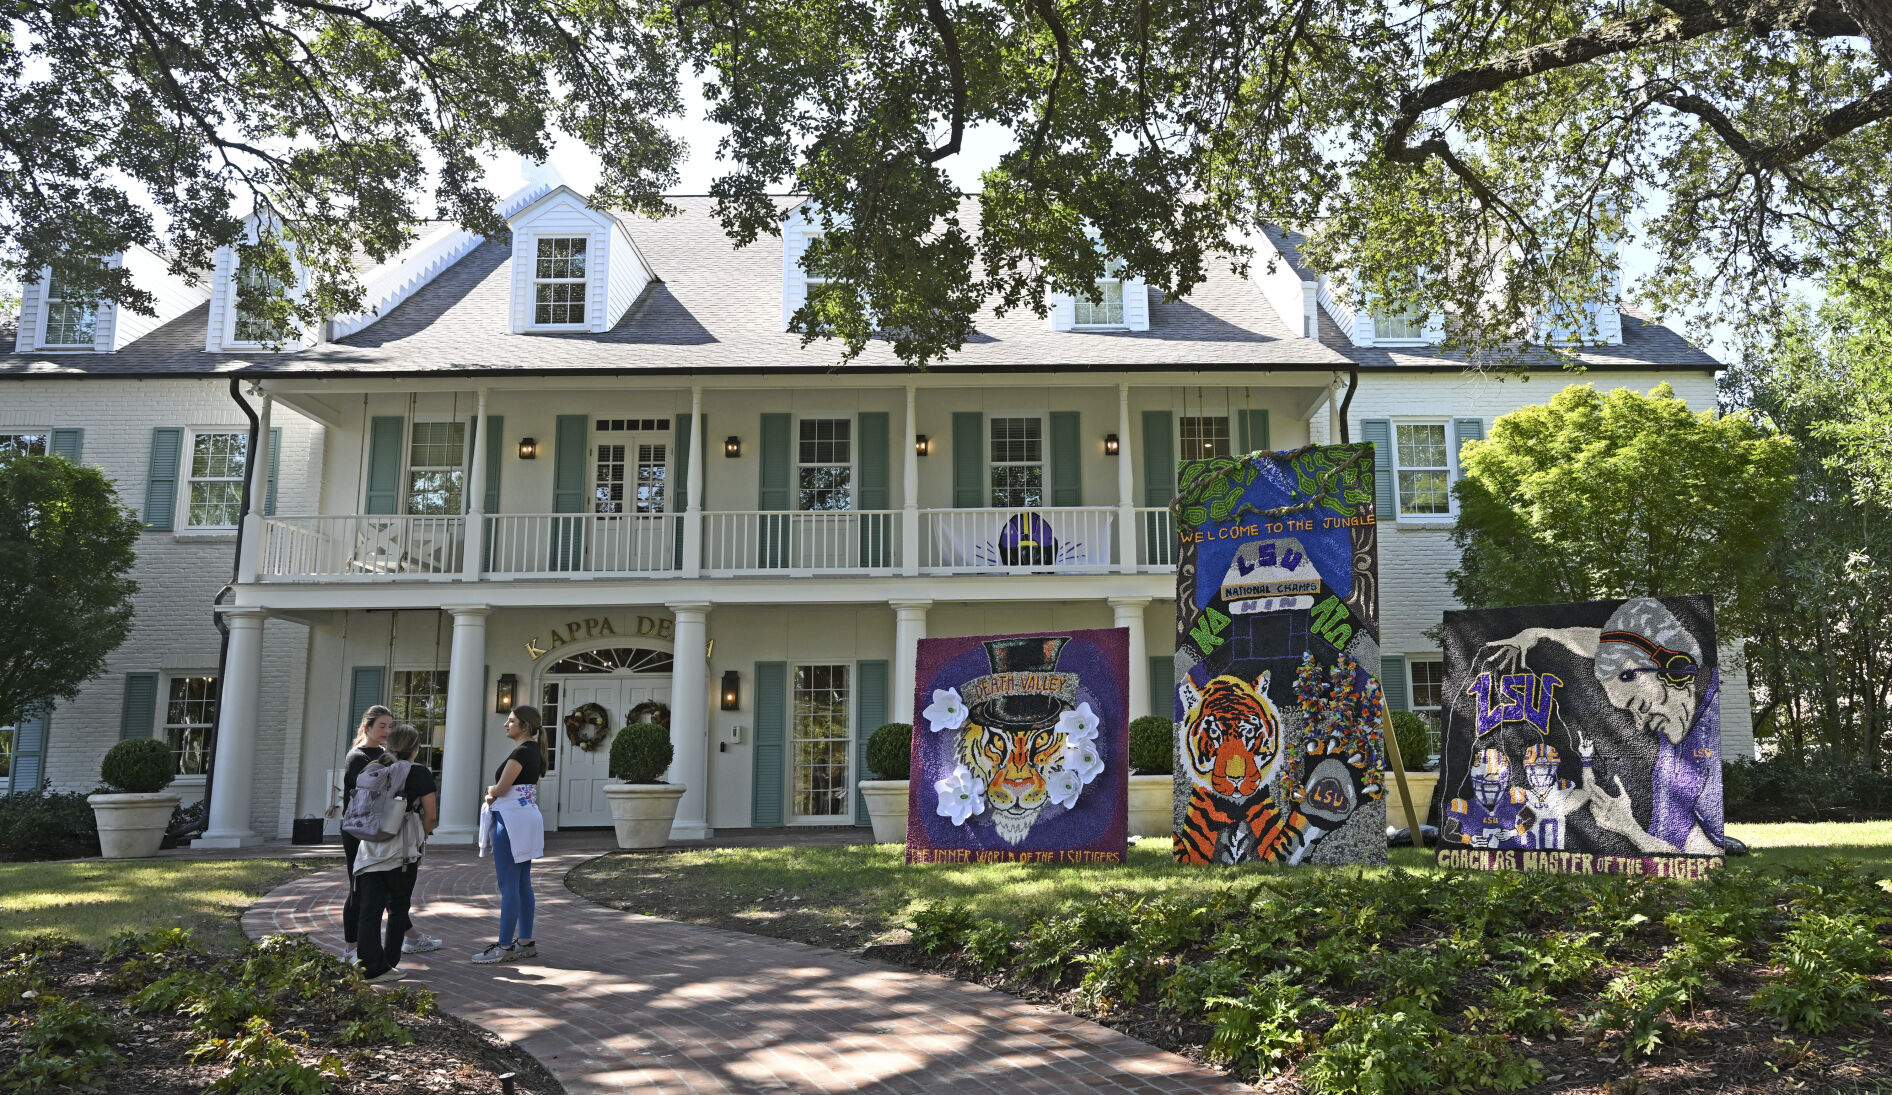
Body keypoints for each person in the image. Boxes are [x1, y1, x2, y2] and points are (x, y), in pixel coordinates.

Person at [1477, 597, 1724, 856]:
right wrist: (1538, 633)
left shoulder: (1705, 735)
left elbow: (1707, 861)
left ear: (1674, 669)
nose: (1640, 724)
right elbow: (1613, 643)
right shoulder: (1673, 746)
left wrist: (1631, 830)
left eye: (1639, 704)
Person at [342, 705, 442, 962]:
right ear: (415, 748)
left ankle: (368, 961)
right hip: (399, 841)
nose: (386, 730)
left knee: (369, 903)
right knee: (395, 902)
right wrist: (423, 835)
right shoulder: (415, 771)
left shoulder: (375, 766)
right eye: (381, 725)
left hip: (367, 838)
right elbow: (430, 816)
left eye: (390, 727)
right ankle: (384, 959)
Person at [473, 705, 545, 964]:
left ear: (524, 726)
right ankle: (525, 941)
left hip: (511, 821)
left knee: (508, 885)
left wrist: (489, 789)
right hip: (527, 818)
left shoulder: (520, 752)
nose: (506, 724)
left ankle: (504, 946)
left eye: (511, 721)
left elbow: (502, 789)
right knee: (522, 882)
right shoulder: (534, 750)